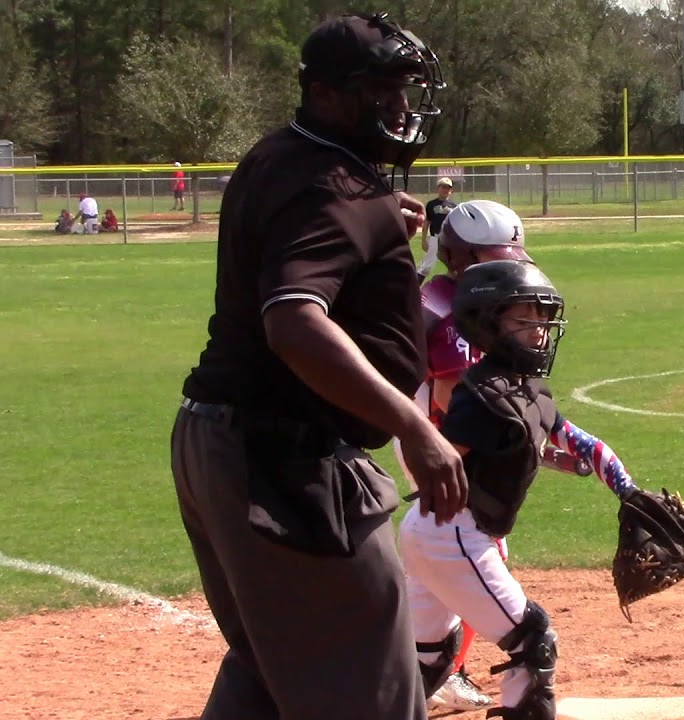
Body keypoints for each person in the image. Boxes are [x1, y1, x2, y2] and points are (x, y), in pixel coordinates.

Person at [169, 13, 460, 720]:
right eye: (381, 89)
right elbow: (294, 323)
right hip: (285, 463)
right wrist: (414, 430)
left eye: (405, 88)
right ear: (325, 93)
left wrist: (376, 219)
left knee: (273, 672)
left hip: (224, 444)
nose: (399, 106)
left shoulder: (280, 157)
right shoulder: (335, 187)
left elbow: (307, 230)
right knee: (370, 689)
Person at [398, 259, 639, 720]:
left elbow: (579, 442)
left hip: (435, 533)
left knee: (427, 658)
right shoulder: (481, 394)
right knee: (533, 640)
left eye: (544, 318)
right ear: (488, 323)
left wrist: (629, 492)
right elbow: (444, 455)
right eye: (524, 318)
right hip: (453, 533)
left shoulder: (528, 390)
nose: (540, 330)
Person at [396, 198, 532, 712]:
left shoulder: (473, 301)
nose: (507, 265)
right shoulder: (447, 307)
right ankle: (442, 670)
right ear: (459, 257)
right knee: (478, 553)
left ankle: (423, 664)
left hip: (449, 438)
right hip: (439, 442)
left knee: (442, 562)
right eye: (493, 257)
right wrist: (522, 425)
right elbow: (457, 393)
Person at [418, 176, 457, 280]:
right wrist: (424, 240)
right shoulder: (431, 204)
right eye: (443, 187)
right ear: (438, 188)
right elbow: (427, 222)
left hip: (450, 239)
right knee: (426, 266)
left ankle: (454, 288)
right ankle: (414, 288)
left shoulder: (454, 206)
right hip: (435, 238)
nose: (445, 190)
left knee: (455, 265)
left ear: (451, 191)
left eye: (448, 188)